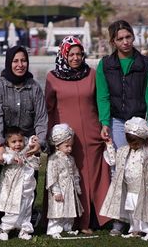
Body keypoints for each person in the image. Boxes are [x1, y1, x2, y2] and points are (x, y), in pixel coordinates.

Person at [44, 35, 110, 234]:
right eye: (71, 54)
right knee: (69, 176)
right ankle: (71, 220)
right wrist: (50, 135)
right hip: (65, 136)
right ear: (64, 54)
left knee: (94, 175)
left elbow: (101, 101)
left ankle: (99, 218)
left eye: (79, 54)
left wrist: (104, 125)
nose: (75, 58)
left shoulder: (92, 74)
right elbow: (48, 107)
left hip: (91, 133)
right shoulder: (52, 77)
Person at [96, 20, 148, 150]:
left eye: (128, 37)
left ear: (133, 37)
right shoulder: (105, 65)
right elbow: (103, 97)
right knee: (120, 163)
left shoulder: (147, 65)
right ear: (113, 42)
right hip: (116, 122)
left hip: (140, 122)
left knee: (139, 164)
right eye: (120, 39)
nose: (125, 42)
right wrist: (105, 123)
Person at [99, 117, 148, 241]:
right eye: (130, 142)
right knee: (132, 209)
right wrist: (110, 145)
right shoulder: (123, 151)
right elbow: (112, 161)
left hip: (144, 187)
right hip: (130, 187)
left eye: (136, 143)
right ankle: (135, 229)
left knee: (145, 209)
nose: (133, 146)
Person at [0, 45, 48, 155]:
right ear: (9, 63)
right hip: (6, 144)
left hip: (29, 144)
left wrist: (39, 141)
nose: (20, 65)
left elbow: (41, 119)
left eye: (23, 61)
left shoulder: (35, 88)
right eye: (15, 61)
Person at [0, 127, 41, 241]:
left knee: (26, 208)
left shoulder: (25, 152)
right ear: (8, 142)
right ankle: (4, 229)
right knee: (12, 209)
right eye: (14, 142)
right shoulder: (8, 152)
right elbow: (3, 158)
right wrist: (12, 158)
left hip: (27, 186)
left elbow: (35, 164)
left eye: (20, 141)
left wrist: (30, 155)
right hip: (13, 188)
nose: (17, 144)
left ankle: (24, 230)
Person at [45, 124, 83, 239]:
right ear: (57, 146)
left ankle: (67, 227)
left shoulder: (71, 159)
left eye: (71, 146)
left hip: (69, 188)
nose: (70, 149)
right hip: (60, 188)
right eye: (67, 146)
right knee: (58, 209)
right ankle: (54, 228)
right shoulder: (53, 159)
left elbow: (75, 172)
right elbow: (51, 176)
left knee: (69, 208)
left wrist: (76, 185)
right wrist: (56, 191)